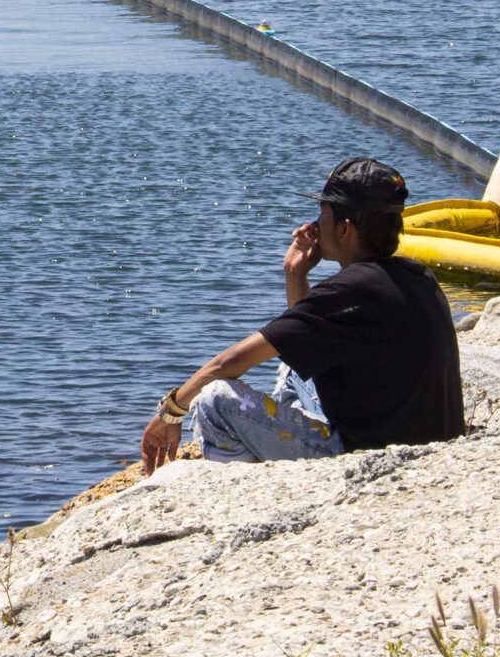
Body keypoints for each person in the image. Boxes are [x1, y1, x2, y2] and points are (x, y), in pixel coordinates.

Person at [139, 157, 463, 471]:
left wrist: (171, 410)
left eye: (323, 214)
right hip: (429, 444)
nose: (315, 225)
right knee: (293, 371)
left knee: (214, 401)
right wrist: (295, 275)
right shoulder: (418, 275)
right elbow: (304, 341)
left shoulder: (347, 291)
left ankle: (246, 487)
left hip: (369, 459)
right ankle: (270, 443)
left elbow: (228, 363)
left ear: (346, 229)